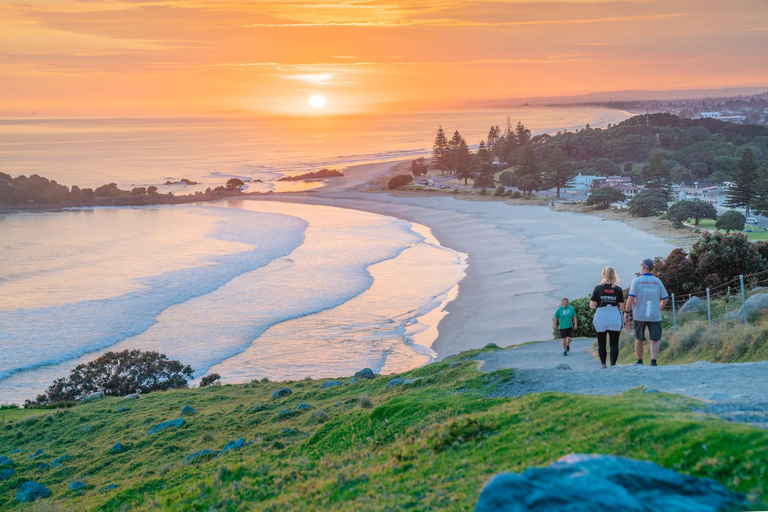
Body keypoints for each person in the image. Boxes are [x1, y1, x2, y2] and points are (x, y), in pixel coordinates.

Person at [624, 258, 668, 366]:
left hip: (639, 315)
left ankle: (640, 361)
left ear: (643, 267)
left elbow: (631, 298)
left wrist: (626, 311)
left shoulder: (636, 281)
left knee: (639, 338)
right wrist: (660, 308)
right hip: (654, 315)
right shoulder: (657, 281)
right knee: (654, 339)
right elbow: (665, 298)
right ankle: (653, 361)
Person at [590, 267, 624, 368]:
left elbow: (592, 305)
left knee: (601, 342)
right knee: (614, 343)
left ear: (603, 275)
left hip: (601, 316)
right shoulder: (618, 289)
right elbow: (621, 307)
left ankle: (603, 364)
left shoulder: (598, 288)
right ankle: (613, 364)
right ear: (614, 275)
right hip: (614, 316)